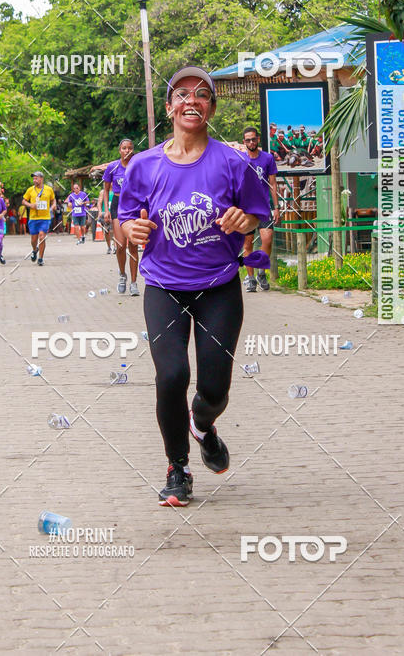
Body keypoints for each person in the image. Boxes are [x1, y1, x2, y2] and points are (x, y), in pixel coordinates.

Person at [119, 66, 270, 507]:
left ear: (211, 109)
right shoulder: (143, 165)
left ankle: (202, 425)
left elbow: (258, 213)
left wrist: (246, 220)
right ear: (169, 108)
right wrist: (130, 230)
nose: (192, 100)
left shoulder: (234, 162)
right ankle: (177, 468)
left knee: (215, 389)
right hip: (163, 286)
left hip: (218, 286)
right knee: (171, 376)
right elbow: (125, 218)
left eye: (202, 94)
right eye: (182, 94)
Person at [242, 127, 280, 292]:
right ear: (244, 142)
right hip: (246, 208)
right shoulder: (240, 159)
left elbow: (273, 184)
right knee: (247, 244)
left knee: (267, 239)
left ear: (258, 139)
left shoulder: (268, 158)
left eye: (253, 139)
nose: (251, 142)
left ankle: (261, 272)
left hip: (264, 206)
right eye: (248, 140)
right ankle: (250, 279)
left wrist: (276, 207)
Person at [103, 140, 139, 295]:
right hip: (117, 204)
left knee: (133, 245)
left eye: (130, 148)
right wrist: (106, 209)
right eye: (124, 148)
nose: (127, 150)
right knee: (120, 245)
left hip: (133, 205)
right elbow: (106, 190)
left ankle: (134, 282)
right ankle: (122, 274)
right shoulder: (113, 167)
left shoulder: (137, 166)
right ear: (120, 150)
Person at [22, 171, 56, 266]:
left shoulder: (49, 189)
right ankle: (34, 250)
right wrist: (30, 205)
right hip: (33, 218)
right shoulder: (30, 190)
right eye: (33, 178)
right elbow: (24, 201)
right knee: (34, 240)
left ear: (41, 179)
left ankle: (40, 258)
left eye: (36, 178)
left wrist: (54, 205)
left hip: (45, 218)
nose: (34, 180)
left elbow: (53, 200)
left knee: (42, 236)